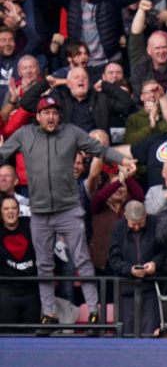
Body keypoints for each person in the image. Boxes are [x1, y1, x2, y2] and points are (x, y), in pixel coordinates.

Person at [0, 96, 136, 332]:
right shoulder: (25, 134)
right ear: (38, 116)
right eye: (46, 113)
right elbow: (3, 154)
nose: (51, 117)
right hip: (40, 211)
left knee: (82, 259)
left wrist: (123, 159)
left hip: (69, 208)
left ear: (59, 115)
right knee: (43, 264)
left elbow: (100, 149)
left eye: (54, 112)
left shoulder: (72, 132)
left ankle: (93, 310)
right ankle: (49, 313)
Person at [107, 201, 166, 337]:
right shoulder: (118, 228)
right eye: (133, 224)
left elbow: (164, 251)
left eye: (140, 223)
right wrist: (129, 269)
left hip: (151, 286)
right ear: (125, 216)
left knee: (150, 331)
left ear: (146, 215)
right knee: (126, 331)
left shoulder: (155, 223)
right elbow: (113, 258)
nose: (137, 227)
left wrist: (155, 264)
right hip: (126, 287)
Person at [0, 194, 38, 331]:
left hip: (31, 289)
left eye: (13, 208)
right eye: (6, 209)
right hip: (6, 291)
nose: (10, 211)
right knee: (6, 337)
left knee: (31, 337)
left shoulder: (29, 224)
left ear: (19, 210)